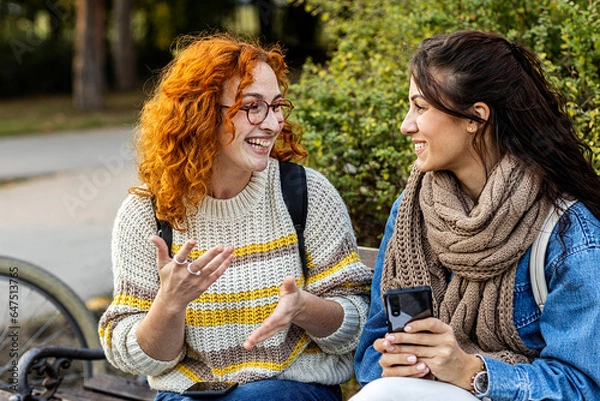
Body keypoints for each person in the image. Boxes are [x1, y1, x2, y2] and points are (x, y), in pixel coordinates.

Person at [98, 33, 372, 401]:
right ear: (201, 113)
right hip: (191, 395)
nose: (273, 123)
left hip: (289, 390)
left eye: (276, 106)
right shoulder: (149, 214)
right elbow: (138, 357)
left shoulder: (305, 194)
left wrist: (304, 307)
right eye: (253, 106)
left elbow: (358, 322)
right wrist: (170, 303)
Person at [352, 30, 600, 401]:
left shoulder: (568, 232)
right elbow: (372, 356)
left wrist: (474, 373)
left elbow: (585, 385)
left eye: (420, 107)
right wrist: (395, 364)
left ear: (475, 117)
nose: (406, 125)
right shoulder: (410, 212)